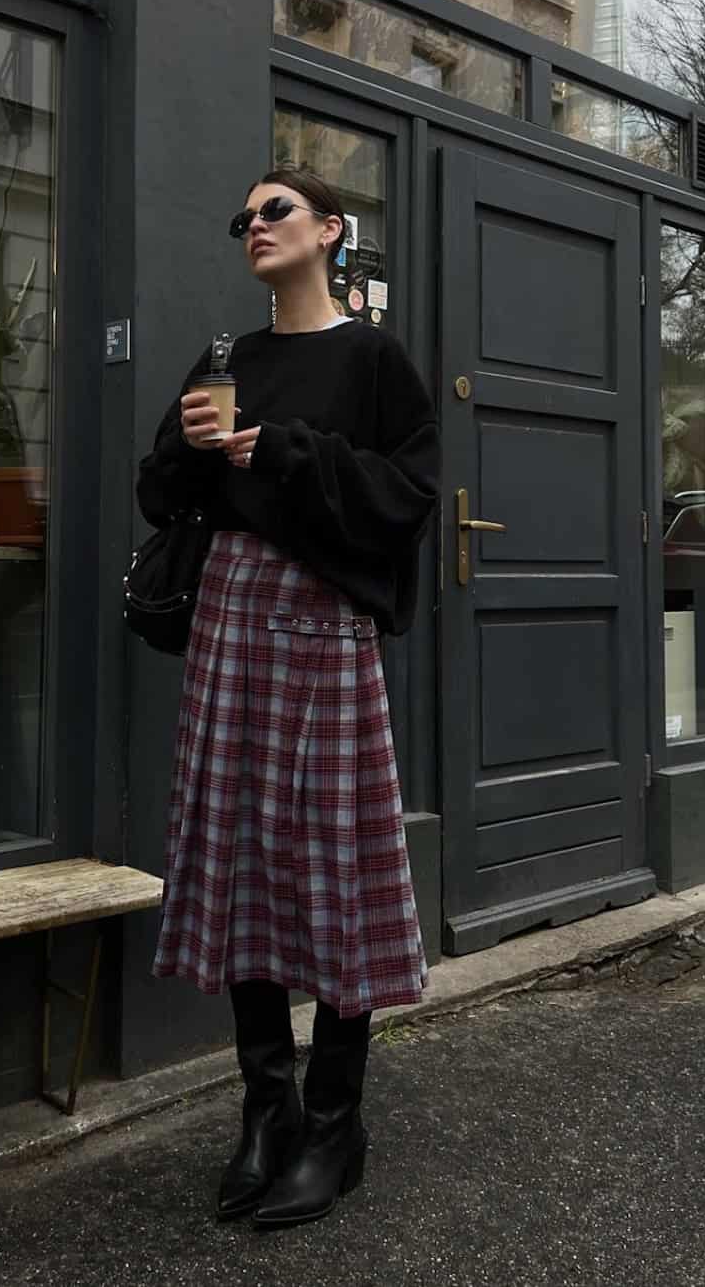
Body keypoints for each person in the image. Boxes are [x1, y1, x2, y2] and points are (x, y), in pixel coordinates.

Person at [136, 169, 440, 1228]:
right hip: (227, 620)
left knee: (330, 861)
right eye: (245, 218)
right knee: (243, 855)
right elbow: (160, 492)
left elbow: (410, 496)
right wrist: (187, 442)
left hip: (320, 623)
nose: (255, 227)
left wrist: (296, 451)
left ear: (329, 232)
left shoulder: (371, 357)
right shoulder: (230, 358)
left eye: (276, 211)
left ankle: (333, 1121)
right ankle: (263, 1111)